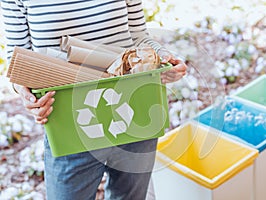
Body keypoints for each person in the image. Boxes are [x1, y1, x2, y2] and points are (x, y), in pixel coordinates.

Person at [1, 0, 187, 199]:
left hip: (133, 110)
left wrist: (164, 58)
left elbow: (138, 36)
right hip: (68, 125)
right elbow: (18, 58)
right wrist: (26, 95)